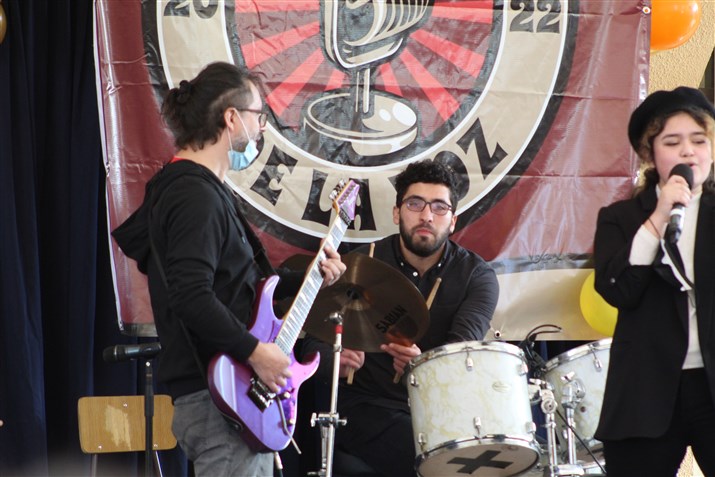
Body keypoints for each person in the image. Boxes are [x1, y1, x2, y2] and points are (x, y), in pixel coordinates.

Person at [111, 62, 346, 476]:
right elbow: (190, 295)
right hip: (221, 399)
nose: (262, 129)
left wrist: (310, 275)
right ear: (232, 118)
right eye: (259, 116)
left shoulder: (199, 191)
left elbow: (239, 287)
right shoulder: (193, 196)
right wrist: (256, 353)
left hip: (228, 397)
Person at [302, 159, 500, 476]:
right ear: (397, 213)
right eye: (415, 204)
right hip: (366, 406)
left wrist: (423, 368)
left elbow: (458, 359)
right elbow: (312, 342)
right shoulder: (360, 264)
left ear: (452, 221)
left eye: (439, 207)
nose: (426, 216)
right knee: (432, 456)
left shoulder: (476, 276)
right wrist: (335, 360)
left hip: (441, 408)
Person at [593, 87, 715, 476]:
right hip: (644, 390)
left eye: (699, 140)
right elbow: (618, 290)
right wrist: (659, 216)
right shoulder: (620, 218)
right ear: (650, 154)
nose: (688, 152)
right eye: (672, 142)